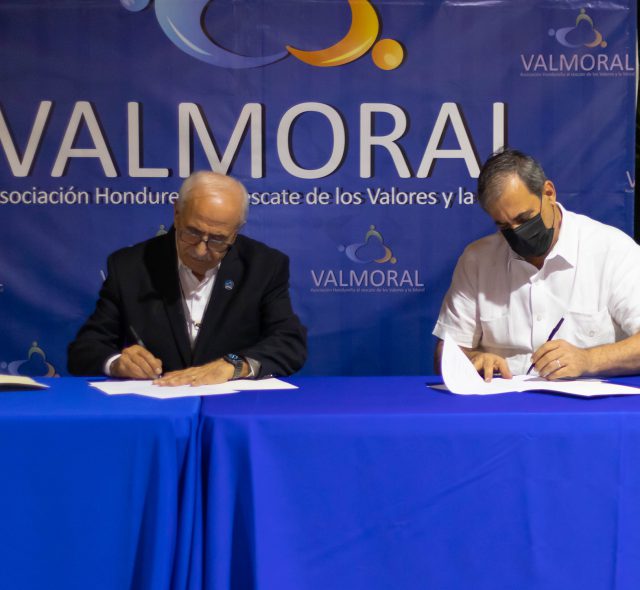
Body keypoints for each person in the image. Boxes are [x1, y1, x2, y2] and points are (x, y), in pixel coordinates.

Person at [68, 171, 307, 386]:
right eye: (192, 232)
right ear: (177, 214)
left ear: (236, 232)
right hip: (156, 404)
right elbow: (86, 349)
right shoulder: (130, 266)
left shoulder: (264, 266)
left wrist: (233, 364)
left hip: (233, 405)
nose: (201, 250)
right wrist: (117, 363)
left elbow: (289, 343)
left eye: (217, 239)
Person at [433, 148, 640, 381]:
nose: (518, 233)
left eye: (524, 219)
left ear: (549, 193)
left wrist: (589, 360)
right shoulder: (478, 260)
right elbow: (446, 353)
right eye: (504, 226)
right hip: (503, 400)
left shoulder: (612, 250)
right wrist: (473, 361)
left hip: (587, 400)